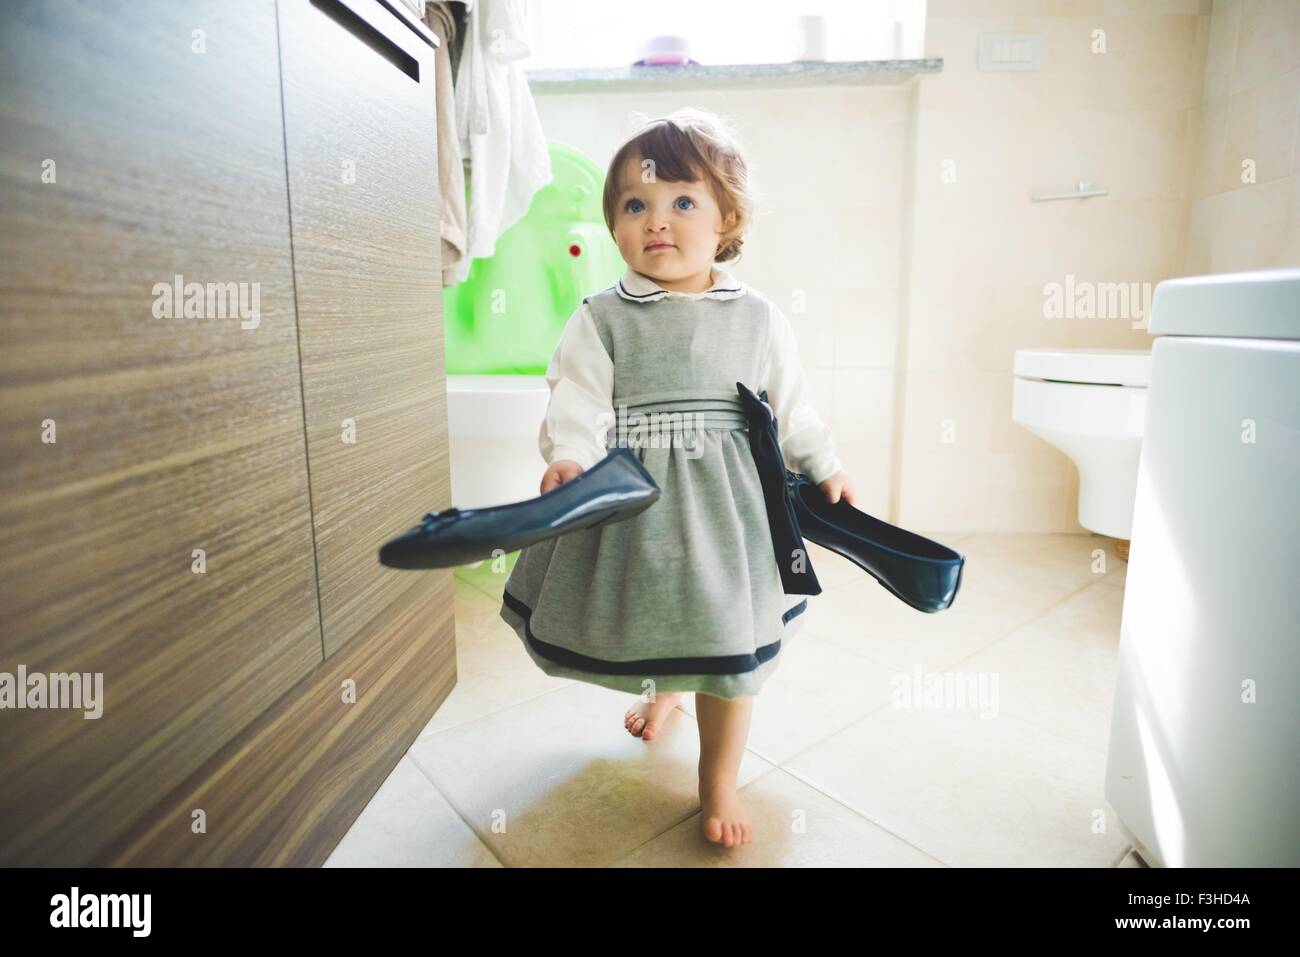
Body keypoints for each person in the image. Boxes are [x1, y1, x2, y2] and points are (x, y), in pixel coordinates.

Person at [498, 107, 856, 848]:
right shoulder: (602, 318)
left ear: (728, 218)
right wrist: (570, 458)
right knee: (657, 614)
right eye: (635, 204)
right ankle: (665, 693)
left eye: (681, 201)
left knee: (725, 640)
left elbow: (791, 408)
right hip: (639, 506)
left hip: (729, 516)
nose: (656, 221)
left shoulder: (757, 318)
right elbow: (578, 399)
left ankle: (718, 778)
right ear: (616, 224)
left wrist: (825, 464)